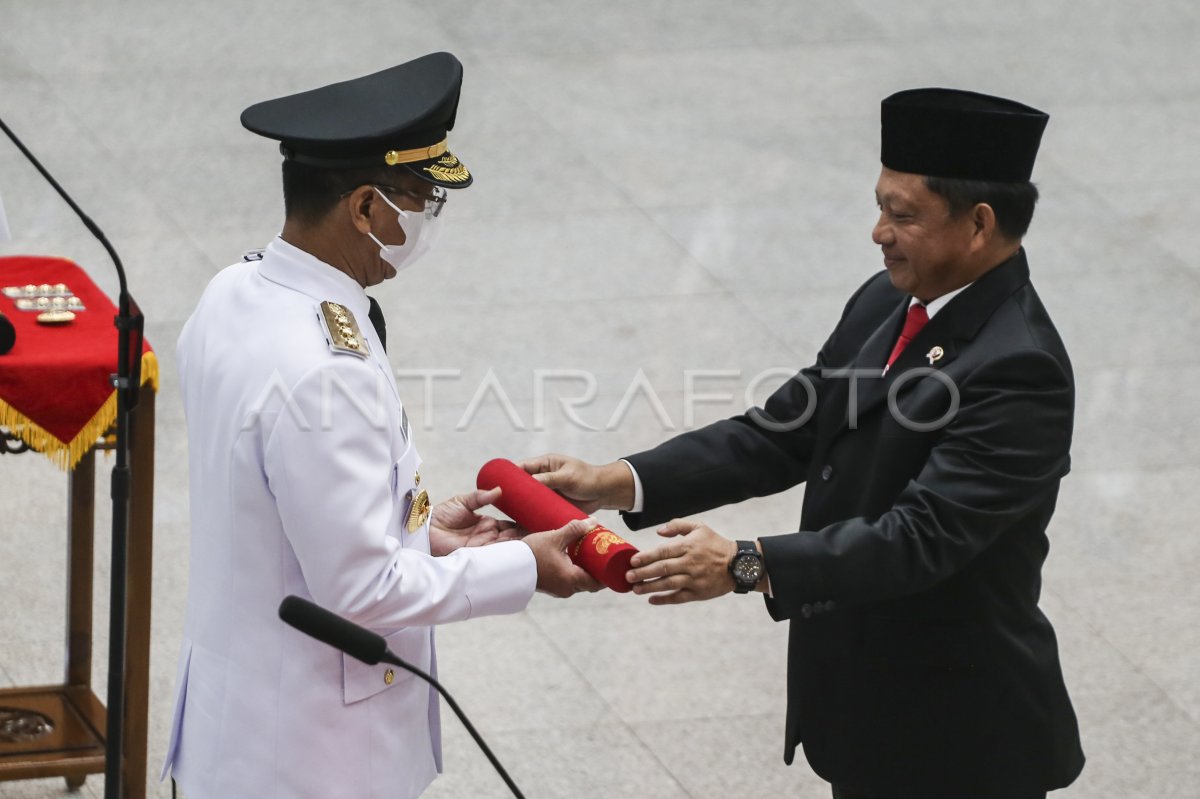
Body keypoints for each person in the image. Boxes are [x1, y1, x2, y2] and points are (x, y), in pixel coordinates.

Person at [524, 88, 1085, 799]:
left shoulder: (1019, 368)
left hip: (958, 730)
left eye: (901, 213)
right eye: (880, 205)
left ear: (979, 224)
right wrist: (615, 479)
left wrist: (746, 563)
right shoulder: (887, 301)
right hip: (864, 701)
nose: (877, 231)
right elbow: (784, 429)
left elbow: (920, 537)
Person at [162, 52, 598, 799]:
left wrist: (422, 534)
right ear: (365, 208)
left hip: (235, 723)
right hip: (311, 755)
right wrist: (526, 565)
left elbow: (275, 508)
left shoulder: (234, 291)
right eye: (422, 198)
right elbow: (360, 589)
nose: (430, 218)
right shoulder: (327, 366)